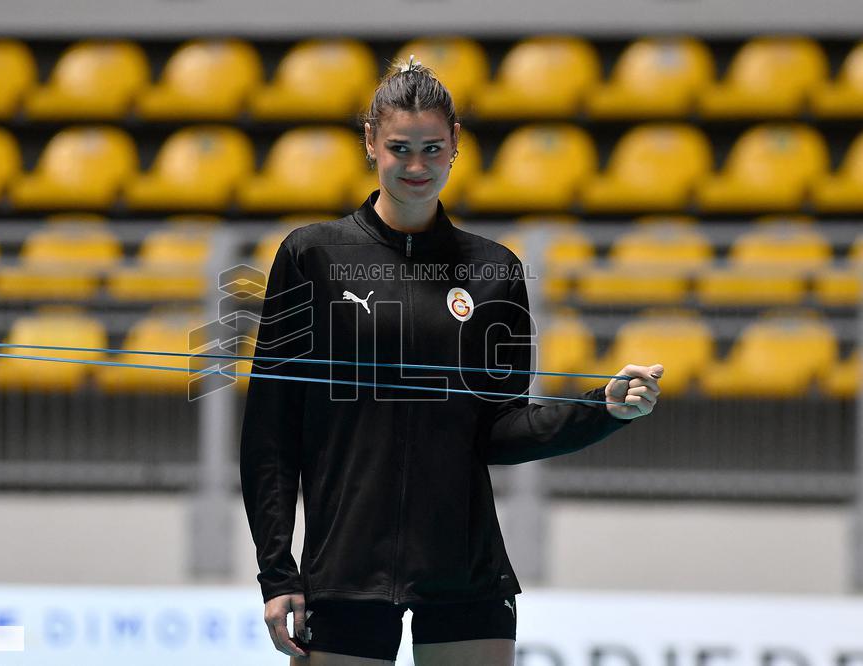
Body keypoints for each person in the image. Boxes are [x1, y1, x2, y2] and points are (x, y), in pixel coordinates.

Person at [239, 54, 663, 666]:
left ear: (456, 144)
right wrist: (277, 574)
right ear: (370, 142)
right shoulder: (313, 257)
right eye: (400, 148)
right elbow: (270, 437)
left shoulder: (495, 271)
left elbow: (504, 428)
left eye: (433, 148)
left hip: (466, 571)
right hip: (345, 568)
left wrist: (603, 408)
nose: (417, 166)